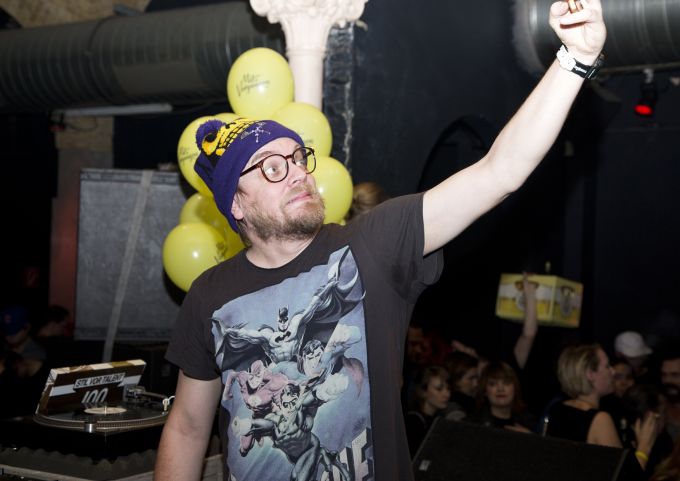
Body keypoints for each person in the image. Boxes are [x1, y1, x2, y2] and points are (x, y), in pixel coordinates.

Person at [154, 3, 608, 479]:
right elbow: (187, 427)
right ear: (236, 204)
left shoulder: (371, 245)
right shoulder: (209, 294)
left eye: (299, 158)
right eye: (272, 167)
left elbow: (499, 172)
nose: (298, 174)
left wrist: (574, 59)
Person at [546, 343, 658, 470]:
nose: (613, 371)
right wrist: (644, 447)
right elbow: (624, 476)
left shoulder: (557, 408)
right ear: (590, 374)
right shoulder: (600, 420)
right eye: (607, 366)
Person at [472, 360, 536, 433]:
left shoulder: (529, 422)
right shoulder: (472, 424)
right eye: (493, 384)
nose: (500, 389)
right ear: (485, 390)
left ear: (515, 388)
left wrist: (530, 437)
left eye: (506, 383)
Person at [404, 365, 451, 455]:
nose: (447, 394)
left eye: (448, 388)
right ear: (423, 391)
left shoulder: (438, 419)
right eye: (439, 389)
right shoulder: (413, 422)